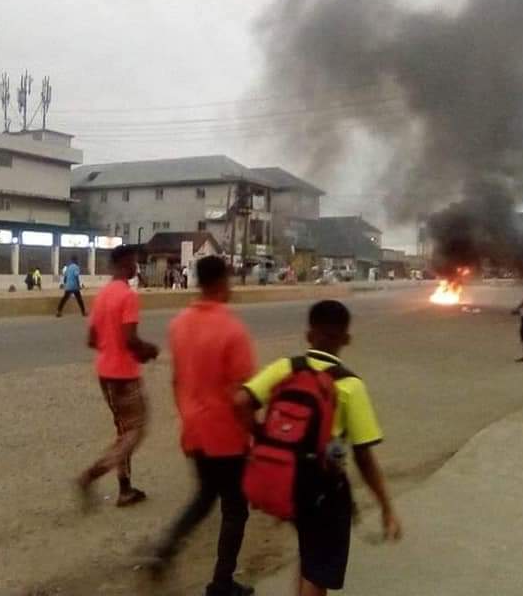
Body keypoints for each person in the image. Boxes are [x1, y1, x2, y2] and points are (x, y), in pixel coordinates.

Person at [234, 300, 402, 595]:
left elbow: (241, 401)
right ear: (346, 338)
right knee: (318, 569)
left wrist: (263, 439)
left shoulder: (286, 367)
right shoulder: (350, 385)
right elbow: (364, 455)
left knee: (310, 551)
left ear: (309, 335)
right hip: (324, 488)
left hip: (286, 479)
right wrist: (386, 506)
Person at [151, 256, 256, 596]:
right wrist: (256, 433)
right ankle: (222, 582)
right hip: (226, 432)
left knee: (205, 495)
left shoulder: (179, 324)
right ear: (222, 282)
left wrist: (187, 415)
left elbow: (177, 378)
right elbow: (242, 395)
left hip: (194, 428)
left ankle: (166, 546)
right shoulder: (232, 329)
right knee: (235, 509)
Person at [77, 245, 159, 507]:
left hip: (104, 372)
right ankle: (92, 474)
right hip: (124, 375)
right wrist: (148, 350)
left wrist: (110, 349)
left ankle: (125, 490)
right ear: (125, 264)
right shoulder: (127, 296)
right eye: (134, 262)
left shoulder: (102, 296)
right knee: (136, 429)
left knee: (123, 431)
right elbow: (130, 340)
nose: (137, 267)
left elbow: (91, 339)